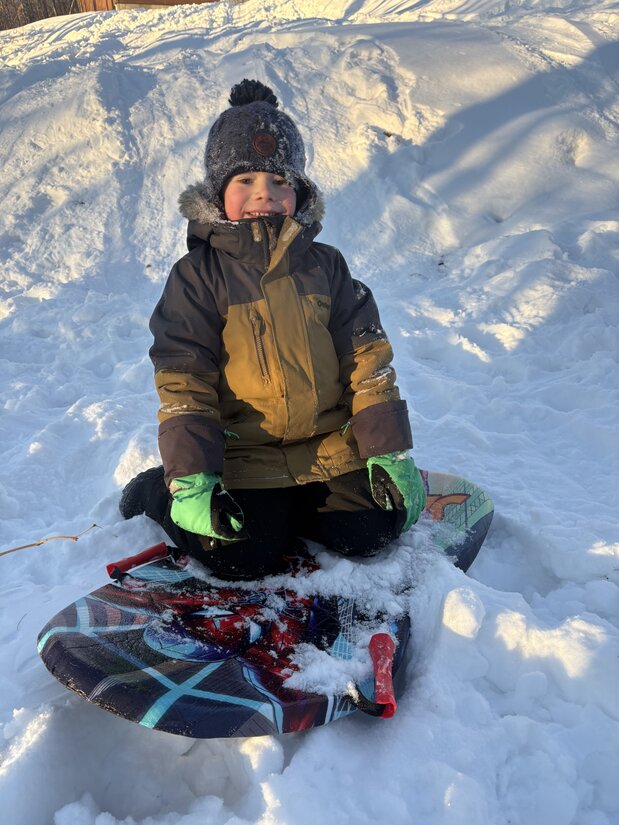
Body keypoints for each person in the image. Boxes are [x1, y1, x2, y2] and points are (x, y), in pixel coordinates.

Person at [120, 78, 426, 580]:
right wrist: (194, 476)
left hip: (327, 450)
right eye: (245, 180)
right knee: (237, 553)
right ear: (217, 193)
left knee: (371, 532)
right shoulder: (197, 277)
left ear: (299, 193)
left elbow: (366, 361)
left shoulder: (327, 267)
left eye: (280, 181)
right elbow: (184, 380)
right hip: (241, 458)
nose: (264, 193)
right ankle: (158, 489)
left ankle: (295, 512)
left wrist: (386, 448)